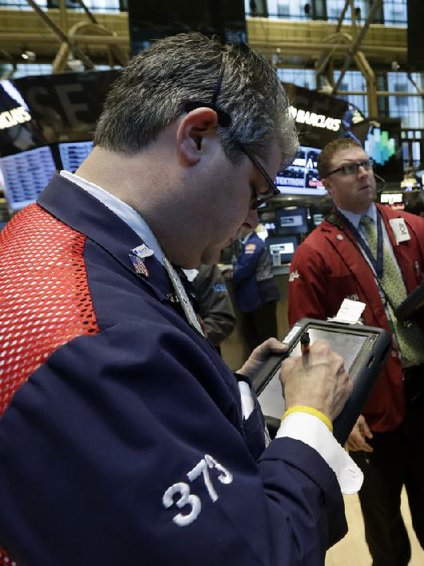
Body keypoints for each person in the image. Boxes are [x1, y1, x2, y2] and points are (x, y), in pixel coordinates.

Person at [0, 33, 362, 565]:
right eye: (257, 190)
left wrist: (228, 392)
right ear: (197, 135)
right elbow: (258, 554)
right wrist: (309, 415)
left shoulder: (42, 235)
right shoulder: (98, 344)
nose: (249, 220)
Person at [287, 138, 424, 566]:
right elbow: (308, 345)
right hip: (368, 407)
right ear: (327, 184)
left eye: (367, 165)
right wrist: (339, 414)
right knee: (384, 525)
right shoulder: (314, 253)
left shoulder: (413, 228)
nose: (364, 174)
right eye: (350, 169)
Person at [232, 224, 280, 352]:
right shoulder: (251, 243)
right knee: (259, 336)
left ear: (246, 227)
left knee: (265, 337)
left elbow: (243, 269)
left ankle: (270, 368)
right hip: (259, 296)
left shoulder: (253, 244)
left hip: (261, 296)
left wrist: (233, 274)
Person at [184, 263, 236, 349]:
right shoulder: (155, 270)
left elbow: (221, 319)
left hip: (197, 353)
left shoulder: (203, 265)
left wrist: (187, 340)